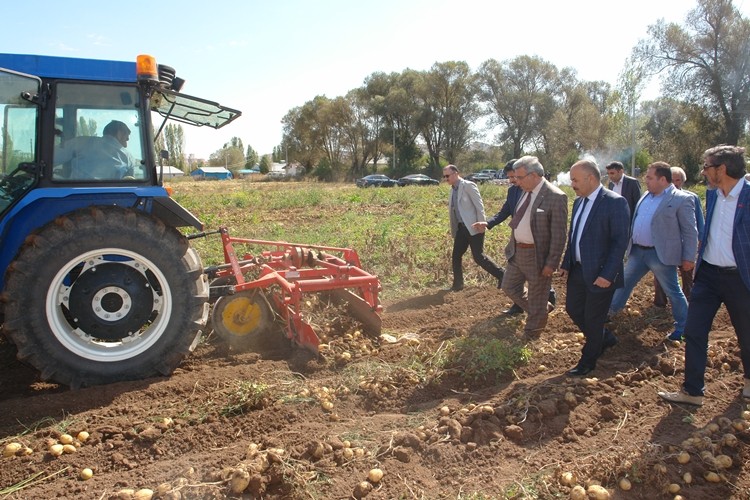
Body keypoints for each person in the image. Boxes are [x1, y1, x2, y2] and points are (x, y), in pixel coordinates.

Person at [658, 145, 750, 406]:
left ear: (721, 169)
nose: (703, 171)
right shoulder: (713, 195)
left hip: (740, 277)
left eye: (707, 166)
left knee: (746, 332)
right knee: (694, 330)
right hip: (709, 274)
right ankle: (692, 391)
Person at [608, 162, 698, 341]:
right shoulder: (646, 196)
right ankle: (610, 312)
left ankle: (684, 326)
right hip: (638, 252)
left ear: (662, 179)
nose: (645, 180)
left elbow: (690, 230)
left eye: (649, 177)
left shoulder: (680, 199)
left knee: (672, 290)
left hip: (660, 254)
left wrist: (689, 257)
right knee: (624, 283)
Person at [560, 160, 630, 376]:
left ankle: (588, 361)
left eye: (575, 179)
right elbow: (574, 237)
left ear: (590, 178)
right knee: (573, 309)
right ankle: (604, 337)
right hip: (579, 269)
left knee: (593, 318)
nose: (572, 183)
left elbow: (620, 242)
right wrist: (566, 263)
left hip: (601, 273)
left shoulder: (614, 202)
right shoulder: (579, 202)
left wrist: (608, 274)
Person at [475, 159, 557, 315]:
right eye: (510, 177)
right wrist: (488, 223)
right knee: (515, 279)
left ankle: (548, 299)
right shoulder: (513, 191)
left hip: (536, 242)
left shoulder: (537, 191)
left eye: (514, 177)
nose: (512, 181)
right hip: (518, 241)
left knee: (537, 277)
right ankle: (523, 306)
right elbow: (505, 211)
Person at [500, 156, 567, 337]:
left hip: (537, 255)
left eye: (520, 177)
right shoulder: (524, 191)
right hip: (517, 251)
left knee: (537, 295)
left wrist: (551, 263)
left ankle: (532, 335)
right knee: (509, 287)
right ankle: (541, 309)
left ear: (534, 175)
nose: (517, 181)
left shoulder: (555, 196)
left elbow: (559, 235)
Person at [443, 164, 505, 292]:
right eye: (444, 176)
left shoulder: (468, 186)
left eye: (447, 176)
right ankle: (458, 285)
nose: (446, 178)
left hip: (474, 226)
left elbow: (479, 205)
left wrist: (482, 223)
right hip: (461, 228)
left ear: (455, 173)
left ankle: (503, 275)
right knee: (456, 255)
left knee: (478, 257)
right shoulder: (452, 189)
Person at [653, 166, 705, 306]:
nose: (675, 183)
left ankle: (688, 302)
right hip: (666, 245)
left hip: (685, 244)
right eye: (673, 179)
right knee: (661, 275)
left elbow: (699, 220)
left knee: (687, 275)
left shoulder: (691, 197)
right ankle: (660, 303)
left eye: (678, 180)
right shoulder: (659, 198)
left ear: (683, 181)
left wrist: (701, 239)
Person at [54, 120, 137, 180]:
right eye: (126, 138)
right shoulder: (129, 158)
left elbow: (51, 158)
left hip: (75, 195)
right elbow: (130, 183)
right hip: (110, 199)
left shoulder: (81, 142)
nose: (126, 145)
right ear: (119, 133)